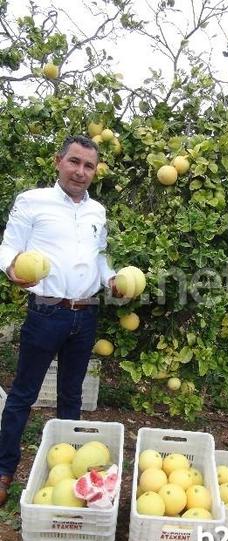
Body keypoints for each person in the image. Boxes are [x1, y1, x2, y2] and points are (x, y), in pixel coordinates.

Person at [0, 135, 117, 505]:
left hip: (86, 314)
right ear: (58, 161)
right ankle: (4, 471)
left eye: (88, 166)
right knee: (23, 395)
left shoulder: (98, 211)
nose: (81, 172)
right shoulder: (32, 202)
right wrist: (11, 270)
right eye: (75, 162)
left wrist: (111, 278)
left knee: (71, 395)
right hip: (46, 312)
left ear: (95, 171)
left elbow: (99, 259)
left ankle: (65, 471)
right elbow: (8, 247)